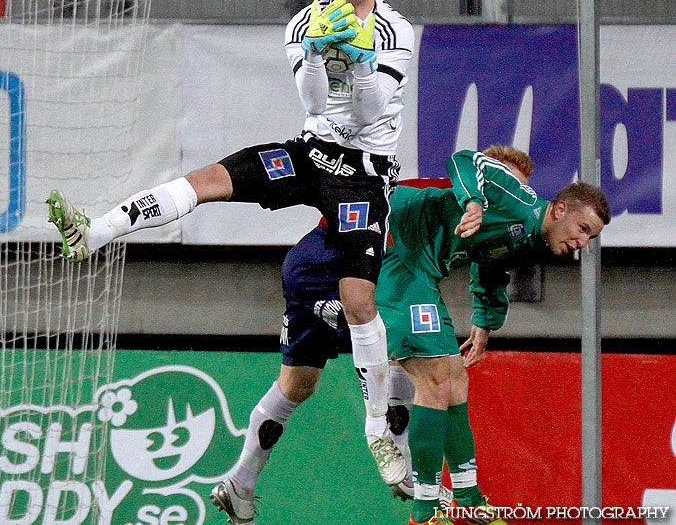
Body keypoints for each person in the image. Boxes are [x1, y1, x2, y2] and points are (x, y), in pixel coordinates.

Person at [47, 0, 415, 485]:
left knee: (359, 296)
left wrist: (357, 58)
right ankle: (94, 232)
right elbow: (313, 102)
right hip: (312, 153)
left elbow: (367, 114)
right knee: (210, 179)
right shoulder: (305, 21)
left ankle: (377, 433)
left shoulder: (396, 30)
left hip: (363, 176)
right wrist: (318, 54)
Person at [210, 146, 536, 525]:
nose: (514, 201)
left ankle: (239, 483)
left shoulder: (482, 225)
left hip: (312, 264)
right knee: (403, 345)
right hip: (333, 265)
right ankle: (395, 455)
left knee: (297, 384)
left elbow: (490, 260)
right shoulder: (446, 200)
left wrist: (484, 319)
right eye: (509, 185)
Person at [377, 149, 610, 525]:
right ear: (561, 209)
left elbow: (491, 262)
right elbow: (465, 160)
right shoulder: (520, 197)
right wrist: (473, 202)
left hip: (424, 271)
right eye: (583, 229)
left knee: (455, 381)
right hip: (398, 251)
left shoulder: (531, 238)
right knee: (436, 382)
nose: (583, 243)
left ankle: (468, 500)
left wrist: (484, 323)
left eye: (591, 237)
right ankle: (425, 511)